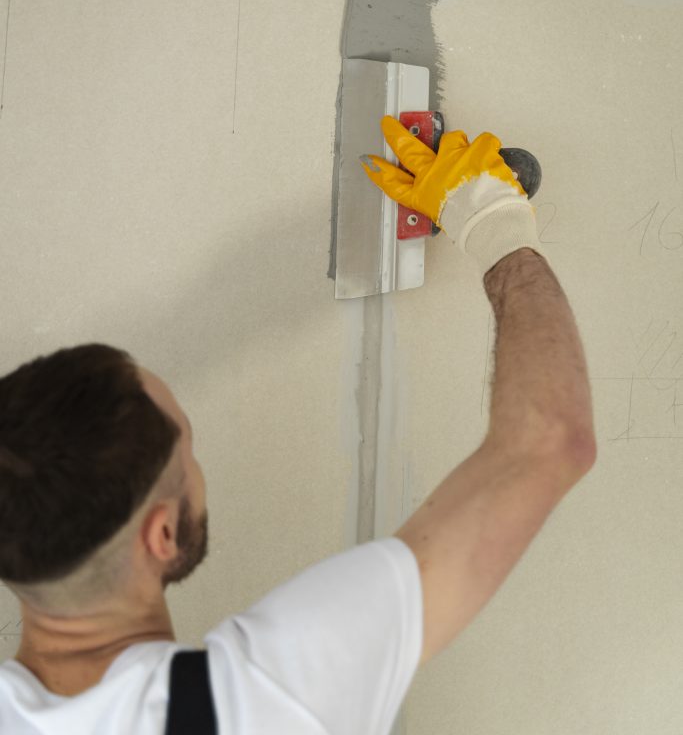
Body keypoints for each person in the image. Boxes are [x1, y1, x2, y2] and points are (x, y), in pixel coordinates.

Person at [0, 118, 595, 734]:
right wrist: (494, 225)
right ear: (162, 533)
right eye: (190, 450)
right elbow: (550, 442)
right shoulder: (264, 699)